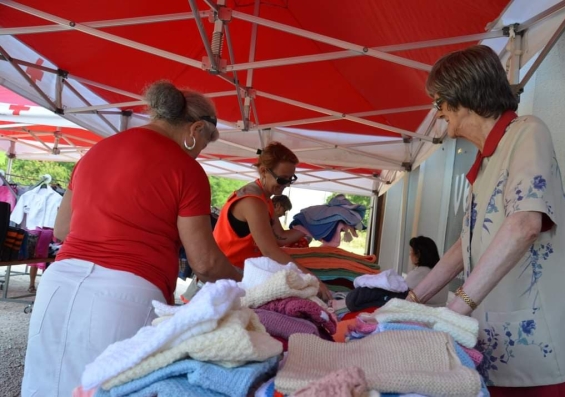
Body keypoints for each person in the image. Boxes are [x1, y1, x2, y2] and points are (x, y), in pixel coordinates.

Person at [21, 81, 242, 397]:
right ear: (195, 128)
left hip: (58, 284)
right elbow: (205, 263)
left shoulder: (96, 151)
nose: (202, 151)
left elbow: (62, 230)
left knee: (45, 385)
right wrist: (244, 281)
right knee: (114, 388)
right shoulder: (187, 170)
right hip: (127, 293)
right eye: (206, 141)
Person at [405, 44, 565, 395]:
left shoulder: (527, 131)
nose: (437, 114)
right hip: (506, 348)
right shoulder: (486, 160)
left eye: (438, 103)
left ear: (462, 97)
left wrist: (455, 308)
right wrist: (412, 300)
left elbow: (525, 224)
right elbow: (467, 243)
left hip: (549, 346)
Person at [213, 142, 332, 300]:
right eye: (282, 180)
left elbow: (280, 237)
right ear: (263, 171)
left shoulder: (265, 200)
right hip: (220, 281)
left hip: (234, 278)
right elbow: (270, 250)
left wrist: (313, 227)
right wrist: (312, 279)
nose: (287, 185)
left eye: (291, 179)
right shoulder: (252, 202)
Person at [405, 236, 448, 307]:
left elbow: (403, 299)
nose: (410, 254)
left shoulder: (416, 275)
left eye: (411, 251)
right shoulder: (443, 274)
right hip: (439, 315)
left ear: (418, 254)